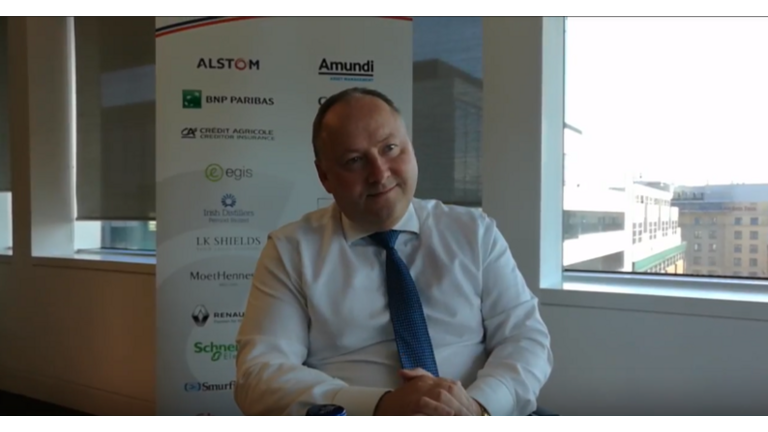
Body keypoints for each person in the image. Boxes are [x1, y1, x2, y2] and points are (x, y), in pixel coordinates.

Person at [234, 87, 553, 416]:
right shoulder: (291, 251)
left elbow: (525, 338)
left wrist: (479, 407)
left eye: (389, 148)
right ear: (324, 176)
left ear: (411, 148)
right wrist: (380, 406)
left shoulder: (474, 231)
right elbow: (259, 376)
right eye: (355, 160)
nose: (379, 173)